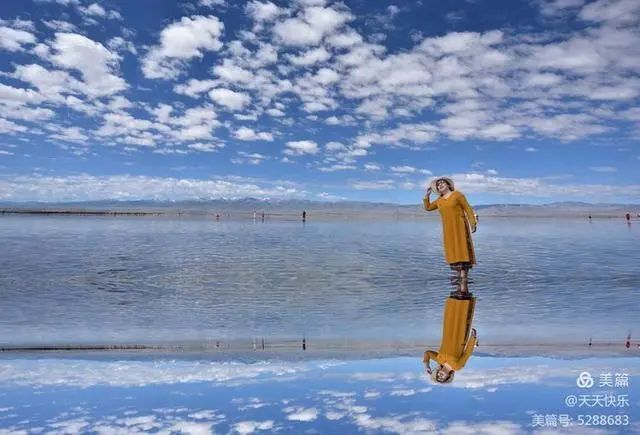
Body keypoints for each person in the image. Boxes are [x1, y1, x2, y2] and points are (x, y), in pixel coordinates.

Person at [424, 177, 478, 295]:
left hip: (459, 227)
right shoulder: (439, 200)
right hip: (448, 230)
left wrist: (472, 223)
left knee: (462, 249)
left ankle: (463, 280)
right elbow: (428, 208)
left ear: (448, 185)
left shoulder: (457, 195)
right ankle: (459, 279)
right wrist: (427, 196)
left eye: (442, 183)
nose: (440, 185)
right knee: (453, 251)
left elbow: (467, 208)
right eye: (438, 185)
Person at [423, 295, 477, 384]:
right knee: (463, 312)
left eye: (437, 376)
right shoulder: (457, 367)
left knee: (452, 310)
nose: (439, 375)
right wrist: (472, 338)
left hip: (448, 331)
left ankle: (458, 292)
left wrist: (427, 365)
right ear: (448, 376)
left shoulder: (439, 360)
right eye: (442, 378)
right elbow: (467, 353)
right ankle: (463, 291)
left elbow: (427, 353)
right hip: (460, 335)